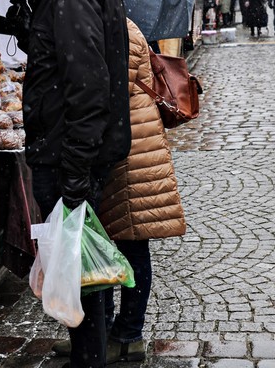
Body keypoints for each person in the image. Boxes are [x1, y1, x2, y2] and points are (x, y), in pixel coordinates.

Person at [4, 0, 132, 368]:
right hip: (66, 152)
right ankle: (86, 353)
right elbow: (65, 66)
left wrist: (76, 170)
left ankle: (88, 358)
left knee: (81, 274)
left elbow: (88, 89)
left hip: (66, 156)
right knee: (77, 270)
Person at [52, 18, 187, 364]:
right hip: (125, 146)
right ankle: (103, 329)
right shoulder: (110, 23)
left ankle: (127, 335)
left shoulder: (121, 29)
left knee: (130, 243)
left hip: (132, 151)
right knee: (110, 240)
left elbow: (112, 92)